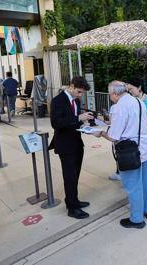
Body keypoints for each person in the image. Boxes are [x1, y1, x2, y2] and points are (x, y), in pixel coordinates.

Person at [96, 81, 147, 229]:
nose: (110, 98)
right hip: (145, 149)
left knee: (133, 185)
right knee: (146, 182)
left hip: (131, 152)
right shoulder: (138, 101)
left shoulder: (118, 107)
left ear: (115, 93)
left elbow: (114, 136)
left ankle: (136, 219)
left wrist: (101, 133)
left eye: (110, 95)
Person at [50, 76, 93, 219]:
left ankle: (73, 200)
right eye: (79, 92)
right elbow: (56, 123)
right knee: (69, 177)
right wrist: (78, 119)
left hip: (76, 142)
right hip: (65, 145)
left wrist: (84, 124)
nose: (80, 95)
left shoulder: (76, 100)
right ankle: (72, 208)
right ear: (72, 86)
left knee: (75, 175)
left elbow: (74, 121)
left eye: (82, 93)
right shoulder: (57, 101)